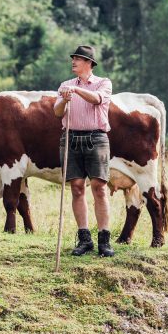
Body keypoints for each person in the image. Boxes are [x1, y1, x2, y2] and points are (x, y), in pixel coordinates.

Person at [53, 45, 114, 257]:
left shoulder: (103, 83)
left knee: (99, 187)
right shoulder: (65, 85)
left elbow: (97, 99)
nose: (73, 61)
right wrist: (65, 100)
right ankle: (85, 238)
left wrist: (77, 91)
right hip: (70, 137)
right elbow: (56, 111)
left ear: (89, 63)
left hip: (96, 137)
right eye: (73, 58)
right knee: (77, 187)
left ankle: (104, 240)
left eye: (78, 58)